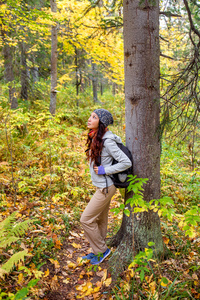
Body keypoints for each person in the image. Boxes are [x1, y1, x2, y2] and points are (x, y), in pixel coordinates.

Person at [80, 108, 132, 265]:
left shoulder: (107, 141)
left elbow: (126, 162)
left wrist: (105, 170)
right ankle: (98, 252)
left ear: (101, 122)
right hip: (101, 186)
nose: (89, 119)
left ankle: (102, 250)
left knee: (85, 220)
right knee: (101, 220)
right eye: (90, 115)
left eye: (94, 117)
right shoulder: (96, 137)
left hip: (106, 188)